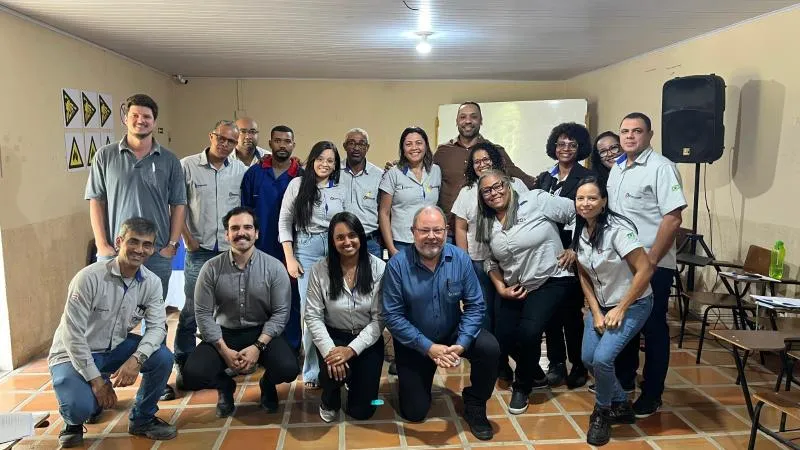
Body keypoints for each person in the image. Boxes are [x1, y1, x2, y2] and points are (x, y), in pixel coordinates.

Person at [85, 93, 187, 401]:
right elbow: (96, 201)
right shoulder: (105, 156)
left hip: (156, 253)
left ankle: (155, 379)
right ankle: (99, 378)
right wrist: (102, 244)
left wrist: (172, 244)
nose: (141, 121)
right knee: (106, 316)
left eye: (147, 117)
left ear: (155, 122)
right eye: (135, 116)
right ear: (125, 118)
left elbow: (178, 204)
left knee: (154, 317)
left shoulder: (169, 160)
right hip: (115, 253)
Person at [48, 218, 177, 447]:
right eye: (133, 241)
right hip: (71, 353)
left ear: (152, 249)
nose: (139, 249)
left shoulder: (152, 282)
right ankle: (73, 422)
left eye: (146, 244)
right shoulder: (88, 278)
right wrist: (97, 382)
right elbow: (73, 335)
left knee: (162, 357)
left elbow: (157, 327)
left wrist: (136, 360)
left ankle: (142, 419)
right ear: (119, 242)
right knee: (80, 408)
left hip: (113, 348)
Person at [382, 206, 500, 441]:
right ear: (412, 232)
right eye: (424, 230)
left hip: (452, 333)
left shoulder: (460, 259)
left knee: (489, 347)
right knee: (415, 412)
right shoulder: (397, 265)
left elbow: (476, 305)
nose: (431, 236)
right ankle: (413, 377)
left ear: (446, 231)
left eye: (437, 230)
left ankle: (476, 402)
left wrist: (462, 343)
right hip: (415, 342)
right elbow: (393, 316)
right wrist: (429, 348)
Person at [181, 207, 299, 417]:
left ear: (256, 233)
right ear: (227, 235)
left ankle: (267, 384)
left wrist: (258, 346)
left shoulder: (274, 268)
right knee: (192, 375)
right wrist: (224, 350)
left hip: (262, 333)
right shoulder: (210, 269)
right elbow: (203, 314)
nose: (241, 233)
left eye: (247, 227)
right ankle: (224, 386)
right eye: (234, 228)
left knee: (288, 369)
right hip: (223, 334)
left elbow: (281, 313)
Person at [476, 170, 575, 415]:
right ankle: (536, 374)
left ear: (508, 184)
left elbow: (578, 212)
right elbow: (489, 261)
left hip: (550, 278)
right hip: (516, 286)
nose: (494, 193)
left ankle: (522, 387)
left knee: (529, 333)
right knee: (502, 338)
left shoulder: (536, 200)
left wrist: (574, 247)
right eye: (487, 190)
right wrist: (501, 287)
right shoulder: (486, 221)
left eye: (498, 186)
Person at [609, 113, 686, 418]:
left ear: (650, 135)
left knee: (652, 328)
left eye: (637, 131)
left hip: (653, 264)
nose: (630, 136)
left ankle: (653, 393)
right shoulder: (617, 168)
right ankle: (625, 379)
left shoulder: (661, 168)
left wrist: (651, 259)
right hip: (621, 263)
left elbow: (673, 218)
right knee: (625, 322)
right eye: (625, 131)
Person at [573, 177, 654, 446]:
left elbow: (645, 269)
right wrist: (595, 312)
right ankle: (620, 402)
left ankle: (602, 413)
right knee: (588, 358)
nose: (585, 203)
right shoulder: (580, 230)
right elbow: (583, 274)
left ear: (603, 202)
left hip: (633, 303)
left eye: (592, 198)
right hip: (601, 305)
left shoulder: (618, 230)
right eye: (580, 198)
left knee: (603, 358)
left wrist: (621, 308)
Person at [173, 120, 246, 383]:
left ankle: (223, 358)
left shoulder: (240, 170)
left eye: (231, 141)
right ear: (211, 136)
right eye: (221, 138)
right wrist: (187, 238)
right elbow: (176, 205)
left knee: (228, 308)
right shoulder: (187, 166)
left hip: (229, 251)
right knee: (193, 308)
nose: (225, 144)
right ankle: (183, 358)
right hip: (199, 250)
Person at [451, 141, 528, 382]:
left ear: (496, 159)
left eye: (486, 159)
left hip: (511, 262)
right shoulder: (467, 192)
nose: (481, 164)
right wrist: (463, 260)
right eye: (476, 162)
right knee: (484, 314)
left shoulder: (515, 185)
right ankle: (495, 362)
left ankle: (521, 361)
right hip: (478, 261)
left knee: (507, 315)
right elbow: (460, 227)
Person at [305, 212, 386, 422]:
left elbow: (379, 319)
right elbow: (312, 316)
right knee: (332, 374)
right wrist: (331, 352)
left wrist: (351, 350)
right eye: (340, 237)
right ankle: (329, 398)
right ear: (332, 242)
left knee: (363, 411)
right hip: (334, 337)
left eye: (352, 235)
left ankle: (353, 379)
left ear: (361, 236)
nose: (347, 242)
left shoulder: (379, 268)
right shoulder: (319, 270)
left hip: (367, 339)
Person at [279, 141, 345, 388]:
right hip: (306, 249)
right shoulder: (297, 185)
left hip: (335, 248)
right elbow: (284, 222)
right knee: (311, 313)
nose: (324, 164)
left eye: (330, 160)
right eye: (320, 159)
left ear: (335, 165)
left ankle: (338, 365)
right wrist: (290, 258)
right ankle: (312, 370)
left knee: (337, 309)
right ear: (312, 160)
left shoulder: (340, 188)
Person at [535, 122, 595, 388]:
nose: (566, 148)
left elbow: (588, 217)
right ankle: (556, 363)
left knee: (571, 314)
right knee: (550, 313)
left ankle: (578, 365)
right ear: (554, 147)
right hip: (546, 254)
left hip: (572, 254)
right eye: (561, 144)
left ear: (580, 147)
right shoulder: (545, 179)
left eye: (572, 144)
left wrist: (575, 247)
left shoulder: (587, 177)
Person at [241, 125, 304, 350]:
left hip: (291, 251)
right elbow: (245, 213)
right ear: (270, 143)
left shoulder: (301, 176)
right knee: (259, 299)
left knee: (291, 299)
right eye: (278, 141)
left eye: (287, 141)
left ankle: (291, 347)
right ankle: (259, 348)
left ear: (293, 145)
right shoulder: (254, 174)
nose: (282, 145)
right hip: (260, 248)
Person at [434, 101, 536, 239]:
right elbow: (426, 176)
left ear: (481, 120)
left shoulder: (494, 151)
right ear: (457, 121)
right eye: (463, 117)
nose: (468, 121)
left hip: (483, 233)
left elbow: (522, 178)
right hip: (446, 232)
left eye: (473, 116)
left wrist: (554, 176)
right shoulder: (443, 152)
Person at [379, 127, 442, 256]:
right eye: (408, 144)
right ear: (402, 149)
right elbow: (384, 213)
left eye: (419, 143)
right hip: (402, 242)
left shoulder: (436, 171)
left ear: (426, 146)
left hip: (430, 240)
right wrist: (391, 248)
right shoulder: (393, 173)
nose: (414, 148)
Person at [339, 128, 384, 258]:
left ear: (367, 147)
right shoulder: (334, 172)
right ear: (345, 146)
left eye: (361, 144)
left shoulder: (379, 175)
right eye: (352, 143)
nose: (356, 148)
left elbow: (384, 211)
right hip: (340, 241)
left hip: (370, 242)